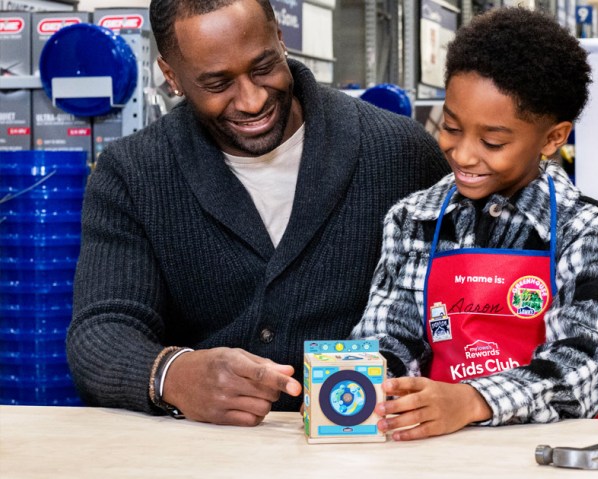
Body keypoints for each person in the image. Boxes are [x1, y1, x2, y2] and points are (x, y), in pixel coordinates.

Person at [66, 0, 448, 426]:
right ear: (172, 76)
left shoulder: (400, 153)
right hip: (204, 450)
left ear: (281, 40)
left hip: (371, 446)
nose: (251, 101)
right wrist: (174, 375)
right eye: (217, 83)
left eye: (264, 66)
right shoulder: (133, 174)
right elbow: (100, 331)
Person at [350, 7, 598, 441]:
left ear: (554, 138)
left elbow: (586, 369)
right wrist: (374, 383)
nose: (462, 155)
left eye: (492, 142)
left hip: (558, 451)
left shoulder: (590, 230)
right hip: (442, 447)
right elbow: (388, 334)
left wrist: (470, 400)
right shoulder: (413, 219)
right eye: (450, 127)